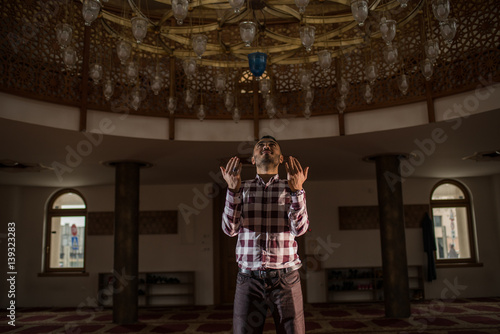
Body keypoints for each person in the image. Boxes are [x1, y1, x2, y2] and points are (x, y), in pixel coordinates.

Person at [220, 135, 310, 334]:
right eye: (260, 145)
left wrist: (298, 191)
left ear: (281, 159)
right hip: (248, 280)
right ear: (253, 159)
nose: (266, 146)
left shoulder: (291, 187)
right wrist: (232, 191)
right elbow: (229, 229)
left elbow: (300, 229)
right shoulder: (240, 188)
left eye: (272, 145)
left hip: (286, 279)